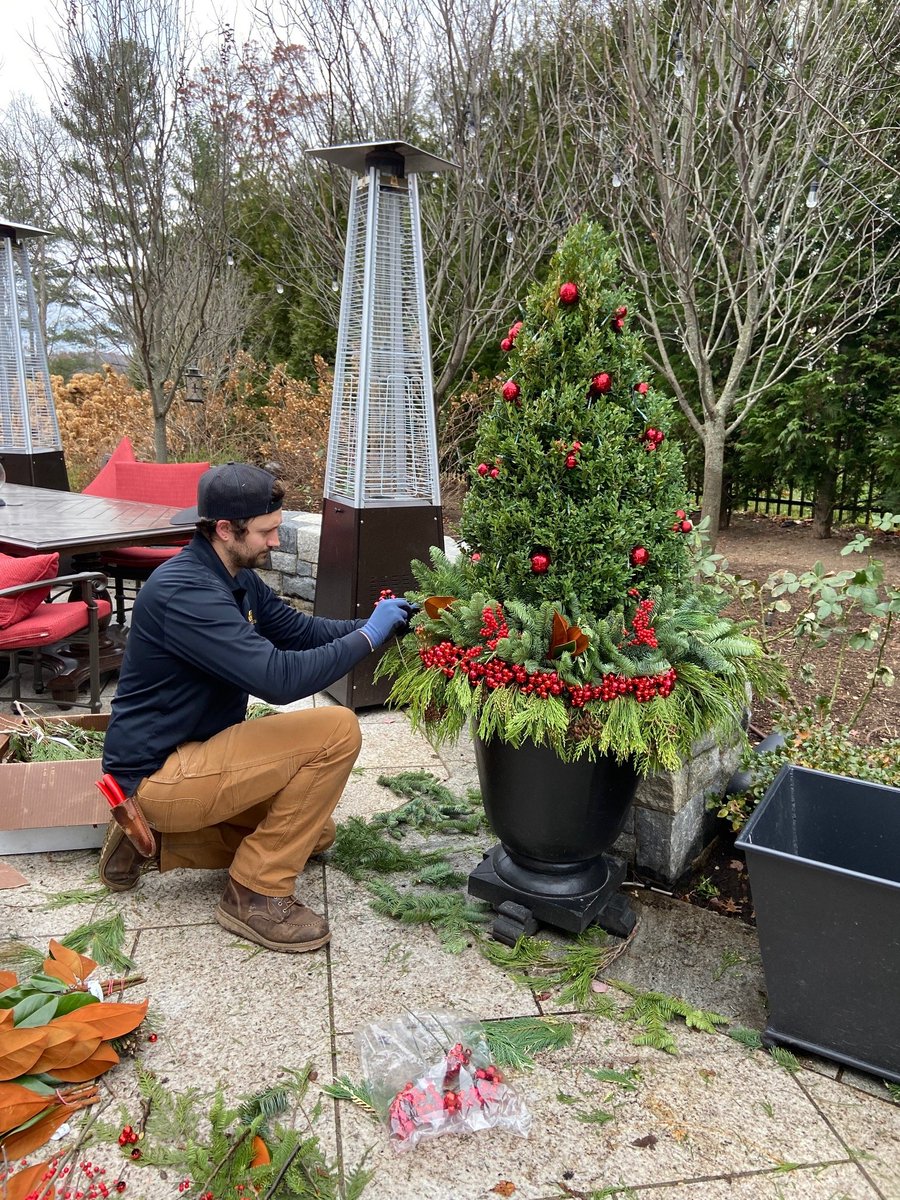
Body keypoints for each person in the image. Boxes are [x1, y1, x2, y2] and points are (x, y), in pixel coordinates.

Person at [99, 462, 414, 954]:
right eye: (267, 532)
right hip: (159, 773)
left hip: (199, 753)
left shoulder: (232, 575)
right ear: (225, 529)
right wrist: (367, 637)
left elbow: (298, 632)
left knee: (315, 834)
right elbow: (278, 679)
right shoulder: (187, 592)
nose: (275, 542)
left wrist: (375, 625)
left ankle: (156, 844)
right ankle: (254, 893)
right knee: (336, 729)